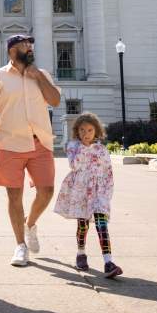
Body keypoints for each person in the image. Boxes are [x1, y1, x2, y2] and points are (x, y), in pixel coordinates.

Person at [0, 34, 61, 267]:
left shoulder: (41, 74)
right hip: (9, 144)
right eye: (24, 44)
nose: (30, 47)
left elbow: (54, 101)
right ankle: (20, 245)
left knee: (46, 191)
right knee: (14, 195)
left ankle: (30, 223)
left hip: (39, 142)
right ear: (12, 50)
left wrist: (38, 77)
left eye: (31, 44)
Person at [54, 112, 122, 278]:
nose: (86, 133)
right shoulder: (72, 146)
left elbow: (108, 172)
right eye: (82, 130)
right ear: (77, 131)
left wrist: (107, 194)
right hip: (80, 190)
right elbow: (74, 165)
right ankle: (81, 253)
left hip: (99, 192)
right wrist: (84, 148)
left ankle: (108, 262)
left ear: (96, 131)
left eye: (90, 130)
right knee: (83, 224)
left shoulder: (101, 149)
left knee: (101, 223)